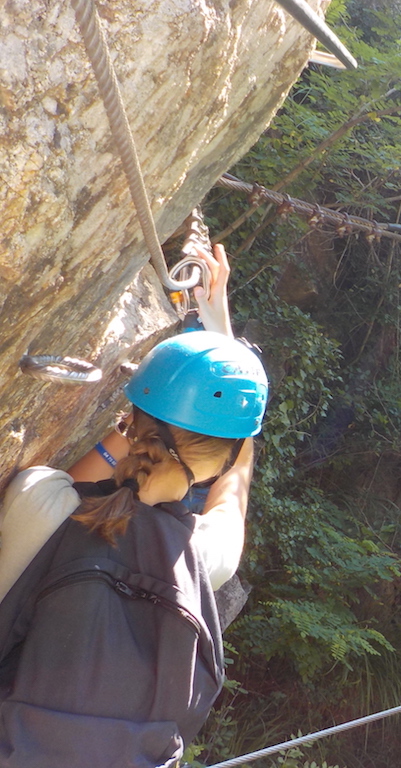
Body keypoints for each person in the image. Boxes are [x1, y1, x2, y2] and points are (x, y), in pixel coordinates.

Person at [0, 244, 269, 766]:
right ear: (221, 457)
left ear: (134, 410)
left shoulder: (41, 503)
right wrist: (224, 342)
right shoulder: (205, 561)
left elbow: (84, 482)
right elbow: (233, 488)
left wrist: (172, 389)